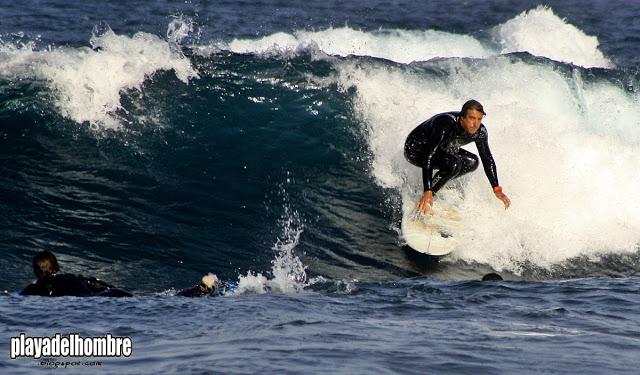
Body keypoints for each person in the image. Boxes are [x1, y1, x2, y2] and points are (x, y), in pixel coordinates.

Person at [404, 100, 511, 214]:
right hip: (416, 149)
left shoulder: (480, 132)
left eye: (479, 119)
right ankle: (426, 196)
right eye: (471, 118)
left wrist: (496, 189)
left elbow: (487, 158)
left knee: (472, 162)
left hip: (442, 148)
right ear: (462, 117)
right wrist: (427, 190)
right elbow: (429, 154)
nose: (475, 124)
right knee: (454, 164)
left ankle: (431, 190)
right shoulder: (445, 123)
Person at [20, 251, 132, 297]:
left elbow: (22, 296)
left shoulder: (35, 286)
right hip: (91, 295)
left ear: (36, 270)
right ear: (56, 265)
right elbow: (93, 282)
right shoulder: (72, 277)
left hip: (80, 300)